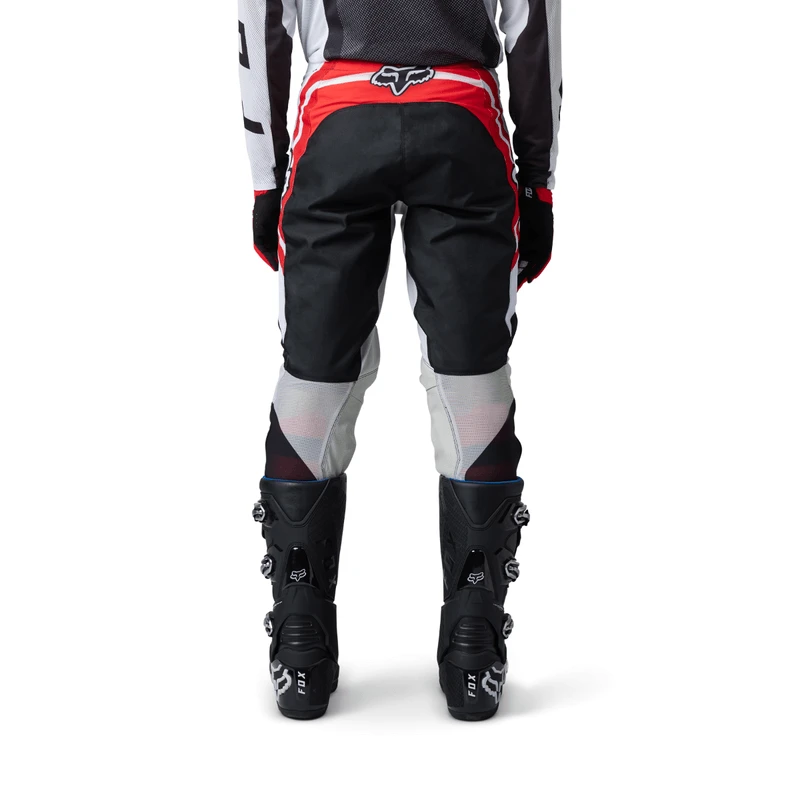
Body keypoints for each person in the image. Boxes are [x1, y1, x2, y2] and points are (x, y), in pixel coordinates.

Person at [239, 0, 561, 720]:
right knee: (471, 376)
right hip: (462, 118)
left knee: (315, 373)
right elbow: (534, 26)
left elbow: (261, 20)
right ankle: (474, 645)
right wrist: (537, 179)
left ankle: (301, 646)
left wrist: (266, 177)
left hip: (339, 115)